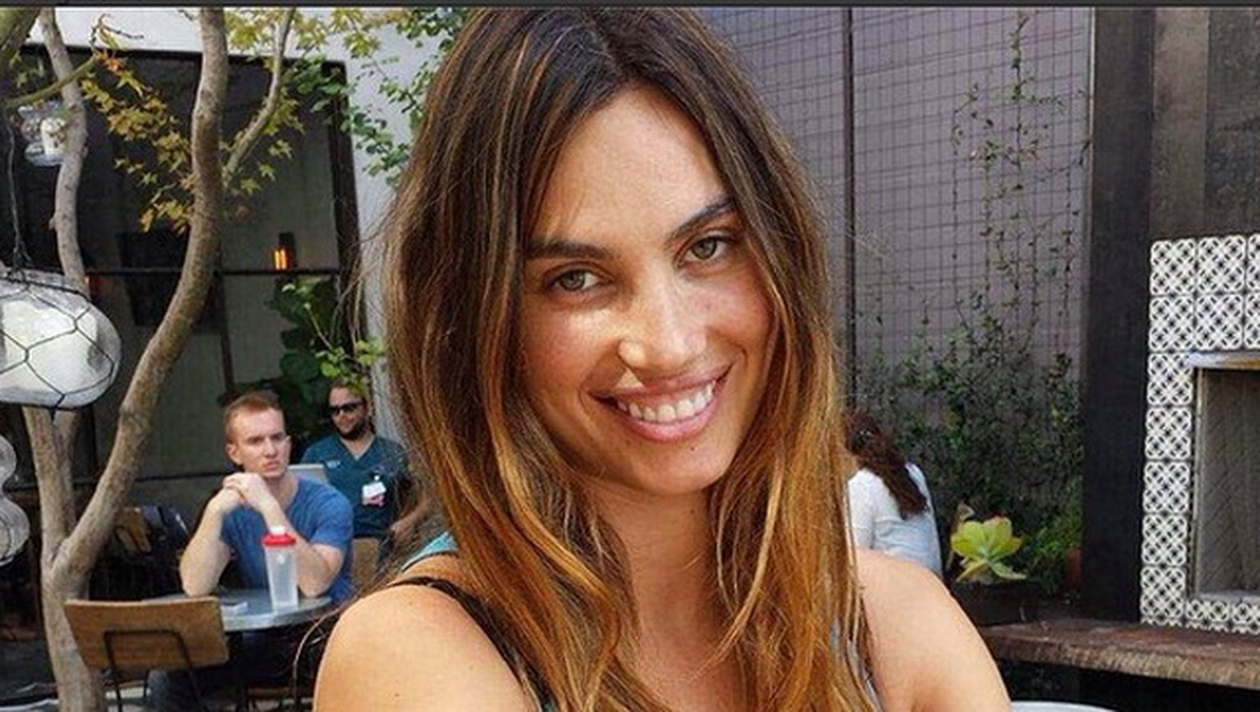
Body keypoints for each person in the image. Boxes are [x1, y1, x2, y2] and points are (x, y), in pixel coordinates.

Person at [316, 8, 1008, 711]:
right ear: (475, 321)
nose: (669, 344)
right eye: (576, 278)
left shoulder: (900, 630)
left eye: (708, 246)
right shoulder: (419, 656)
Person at [148, 391, 353, 711]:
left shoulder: (329, 502)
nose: (271, 450)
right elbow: (195, 585)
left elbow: (315, 584)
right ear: (234, 452)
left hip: (325, 636)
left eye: (277, 438)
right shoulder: (231, 510)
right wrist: (213, 512)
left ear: (288, 443)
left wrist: (269, 508)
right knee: (170, 676)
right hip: (265, 639)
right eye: (256, 441)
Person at [301, 380, 430, 553]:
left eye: (349, 408)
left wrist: (408, 522)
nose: (341, 416)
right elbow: (299, 503)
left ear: (367, 408)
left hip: (383, 549)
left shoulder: (391, 451)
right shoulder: (317, 454)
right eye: (335, 410)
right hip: (332, 549)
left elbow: (425, 498)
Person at [845, 410, 945, 578]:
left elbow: (854, 556)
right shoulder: (913, 472)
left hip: (896, 584)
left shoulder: (861, 484)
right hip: (931, 581)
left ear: (846, 453)